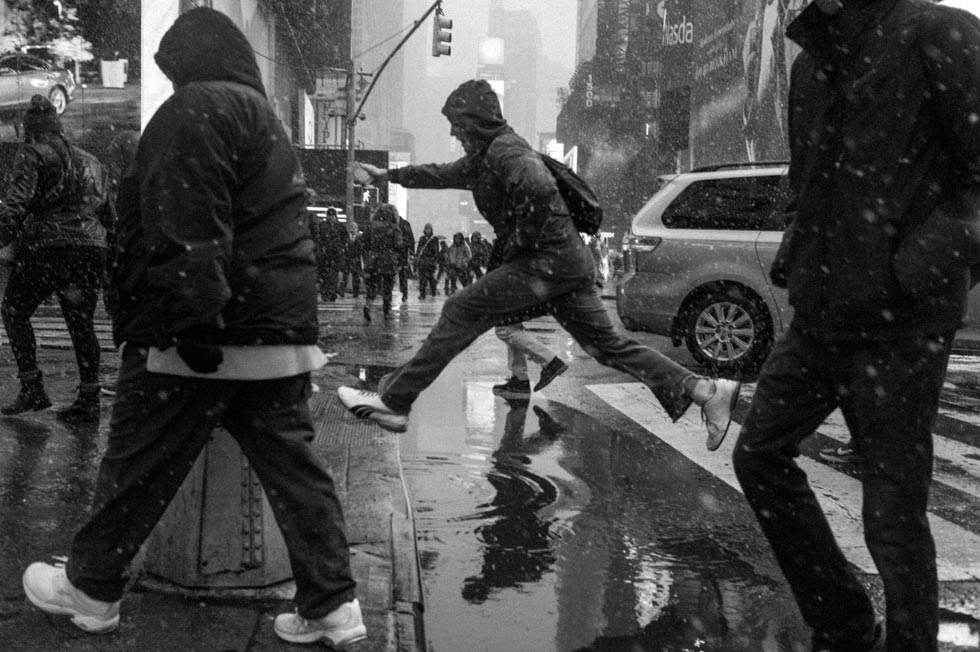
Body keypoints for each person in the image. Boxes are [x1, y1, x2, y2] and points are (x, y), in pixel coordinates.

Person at [21, 9, 365, 648]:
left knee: (137, 466)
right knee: (296, 477)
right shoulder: (263, 119)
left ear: (188, 62)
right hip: (276, 336)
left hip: (203, 338)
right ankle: (332, 605)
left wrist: (192, 321)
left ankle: (92, 590)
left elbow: (188, 220)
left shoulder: (196, 111)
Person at [731, 2, 980, 651]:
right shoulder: (810, 63)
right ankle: (841, 622)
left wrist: (912, 270)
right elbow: (807, 183)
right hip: (819, 316)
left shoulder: (938, 32)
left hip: (902, 323)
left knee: (892, 516)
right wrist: (797, 251)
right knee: (758, 456)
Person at [339, 78, 739, 452]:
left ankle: (395, 401)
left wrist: (524, 243)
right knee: (608, 347)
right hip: (567, 265)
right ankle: (707, 392)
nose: (453, 133)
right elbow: (440, 173)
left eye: (457, 124)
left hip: (546, 264)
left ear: (477, 122)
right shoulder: (486, 155)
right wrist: (386, 174)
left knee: (462, 309)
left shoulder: (505, 153)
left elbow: (535, 186)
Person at [0, 95, 112, 423]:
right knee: (81, 322)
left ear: (29, 129)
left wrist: (3, 236)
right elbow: (108, 213)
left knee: (14, 310)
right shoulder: (94, 162)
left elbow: (17, 204)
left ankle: (32, 386)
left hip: (49, 246)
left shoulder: (32, 153)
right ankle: (90, 398)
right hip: (92, 248)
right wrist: (113, 257)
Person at [361, 203, 404, 322]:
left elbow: (364, 241)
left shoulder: (371, 226)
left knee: (372, 286)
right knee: (387, 287)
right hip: (388, 260)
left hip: (373, 259)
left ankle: (368, 305)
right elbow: (398, 244)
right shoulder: (394, 227)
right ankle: (386, 311)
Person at [416, 223, 440, 298]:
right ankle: (422, 293)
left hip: (430, 262)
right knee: (422, 279)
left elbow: (436, 251)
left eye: (428, 229)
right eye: (426, 229)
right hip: (423, 262)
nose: (427, 230)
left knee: (431, 278)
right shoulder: (422, 239)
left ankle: (433, 291)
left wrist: (434, 260)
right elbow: (419, 249)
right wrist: (417, 256)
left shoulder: (434, 239)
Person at [396, 211, 415, 302]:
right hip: (393, 253)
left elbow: (411, 239)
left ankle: (404, 293)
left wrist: (411, 253)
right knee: (390, 273)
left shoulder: (405, 224)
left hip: (402, 253)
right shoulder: (391, 224)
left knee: (403, 274)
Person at [342, 227, 363, 298]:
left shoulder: (359, 237)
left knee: (356, 277)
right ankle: (341, 290)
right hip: (348, 258)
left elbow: (360, 248)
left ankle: (355, 292)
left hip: (355, 259)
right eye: (352, 228)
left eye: (354, 228)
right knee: (345, 276)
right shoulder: (347, 237)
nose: (352, 229)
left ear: (356, 229)